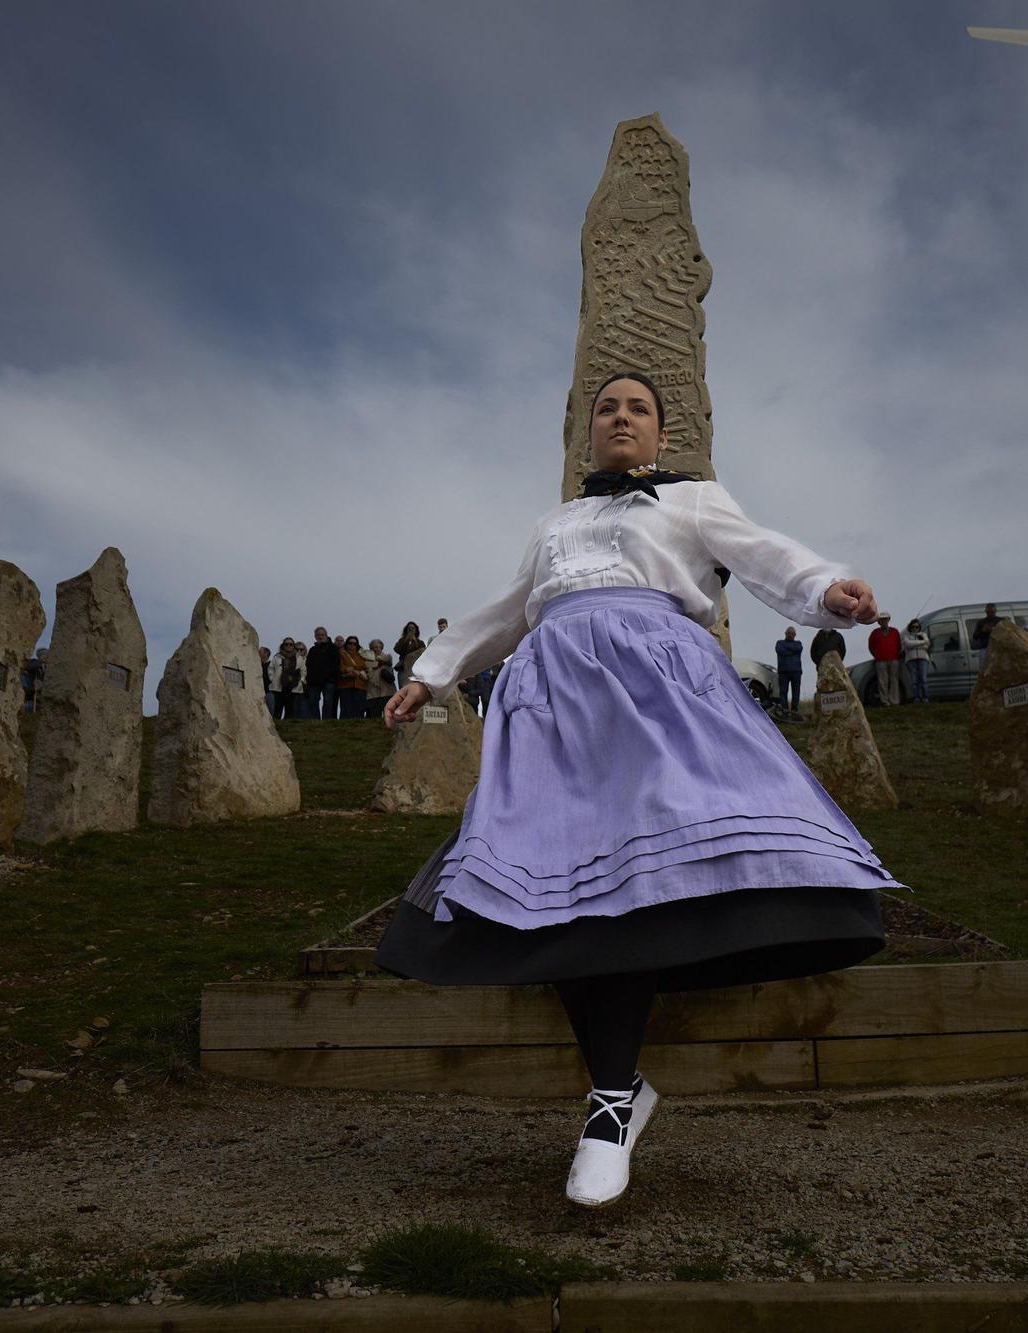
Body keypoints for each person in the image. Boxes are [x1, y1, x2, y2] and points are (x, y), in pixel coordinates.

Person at [376, 371, 901, 1209]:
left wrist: (825, 589)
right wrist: (430, 675)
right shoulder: (555, 524)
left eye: (639, 409)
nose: (622, 418)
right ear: (589, 436)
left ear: (662, 435)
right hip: (553, 704)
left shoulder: (691, 501)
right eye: (607, 409)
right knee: (553, 887)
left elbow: (764, 554)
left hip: (657, 692)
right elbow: (506, 611)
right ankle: (617, 1094)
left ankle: (609, 1103)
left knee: (644, 875)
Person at [866, 615, 903, 707]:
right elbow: (871, 646)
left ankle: (894, 701)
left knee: (894, 680)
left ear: (888, 620)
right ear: (879, 622)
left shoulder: (895, 631)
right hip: (880, 660)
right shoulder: (875, 633)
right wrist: (877, 655)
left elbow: (899, 645)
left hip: (893, 659)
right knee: (883, 681)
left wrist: (896, 655)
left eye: (885, 620)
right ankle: (885, 701)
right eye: (881, 620)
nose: (884, 622)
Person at [305, 628, 340, 720]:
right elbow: (308, 665)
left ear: (326, 635)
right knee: (313, 701)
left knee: (328, 702)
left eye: (322, 635)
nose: (320, 637)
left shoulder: (333, 648)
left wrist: (334, 678)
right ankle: (315, 720)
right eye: (318, 635)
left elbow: (336, 663)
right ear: (315, 636)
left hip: (329, 680)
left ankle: (326, 720)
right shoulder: (312, 649)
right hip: (314, 681)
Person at [337, 635, 368, 719]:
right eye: (350, 643)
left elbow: (366, 667)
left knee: (359, 709)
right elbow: (339, 667)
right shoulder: (341, 654)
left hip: (360, 685)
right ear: (346, 644)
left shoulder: (362, 656)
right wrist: (347, 669)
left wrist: (353, 669)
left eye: (354, 644)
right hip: (345, 685)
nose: (352, 645)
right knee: (345, 709)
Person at [901, 618, 932, 703]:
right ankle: (916, 698)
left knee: (923, 679)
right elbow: (907, 644)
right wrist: (922, 643)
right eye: (913, 627)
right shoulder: (906, 636)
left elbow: (928, 644)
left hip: (923, 659)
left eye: (917, 627)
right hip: (911, 660)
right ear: (910, 627)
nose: (915, 628)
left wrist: (914, 644)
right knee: (914, 680)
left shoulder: (923, 634)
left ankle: (926, 697)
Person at [773, 626, 803, 714]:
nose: (790, 635)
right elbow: (780, 650)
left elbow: (798, 649)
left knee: (796, 692)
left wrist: (787, 649)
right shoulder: (779, 643)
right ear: (785, 634)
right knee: (783, 692)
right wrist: (792, 651)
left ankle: (794, 711)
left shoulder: (798, 643)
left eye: (792, 633)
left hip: (796, 672)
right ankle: (784, 710)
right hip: (783, 672)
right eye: (788, 633)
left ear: (795, 635)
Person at [365, 639, 397, 719]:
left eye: (377, 647)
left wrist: (379, 660)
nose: (375, 649)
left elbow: (388, 661)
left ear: (381, 647)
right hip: (373, 693)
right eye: (373, 648)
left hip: (387, 691)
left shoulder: (388, 657)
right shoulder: (367, 661)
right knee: (375, 716)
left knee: (390, 715)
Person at [394, 622, 427, 689]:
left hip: (415, 668)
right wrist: (406, 640)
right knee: (403, 688)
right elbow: (397, 649)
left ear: (416, 630)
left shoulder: (420, 642)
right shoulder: (402, 641)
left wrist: (415, 641)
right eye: (409, 628)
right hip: (403, 668)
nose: (411, 629)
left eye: (413, 628)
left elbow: (423, 653)